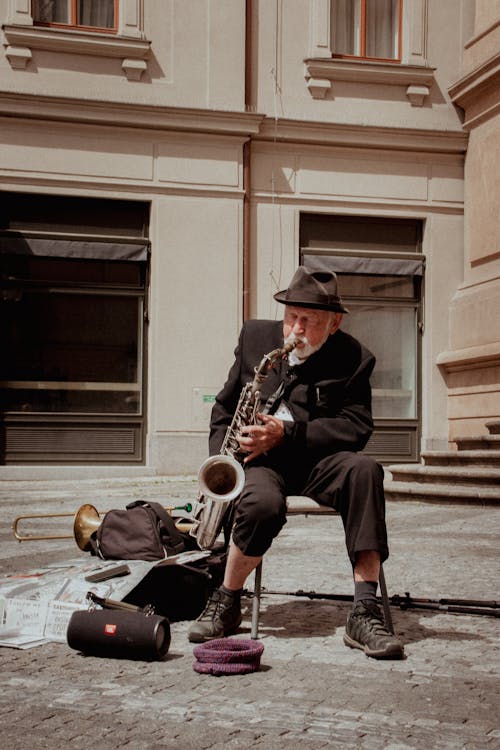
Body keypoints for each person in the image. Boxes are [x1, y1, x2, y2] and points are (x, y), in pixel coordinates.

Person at [188, 266, 404, 659]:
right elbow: (225, 404)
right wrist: (223, 458)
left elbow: (357, 427)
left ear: (334, 323)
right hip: (260, 463)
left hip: (320, 462)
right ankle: (228, 599)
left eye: (310, 321)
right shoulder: (255, 337)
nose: (295, 331)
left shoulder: (355, 358)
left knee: (365, 471)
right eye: (291, 317)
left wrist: (290, 433)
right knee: (261, 504)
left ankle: (364, 610)